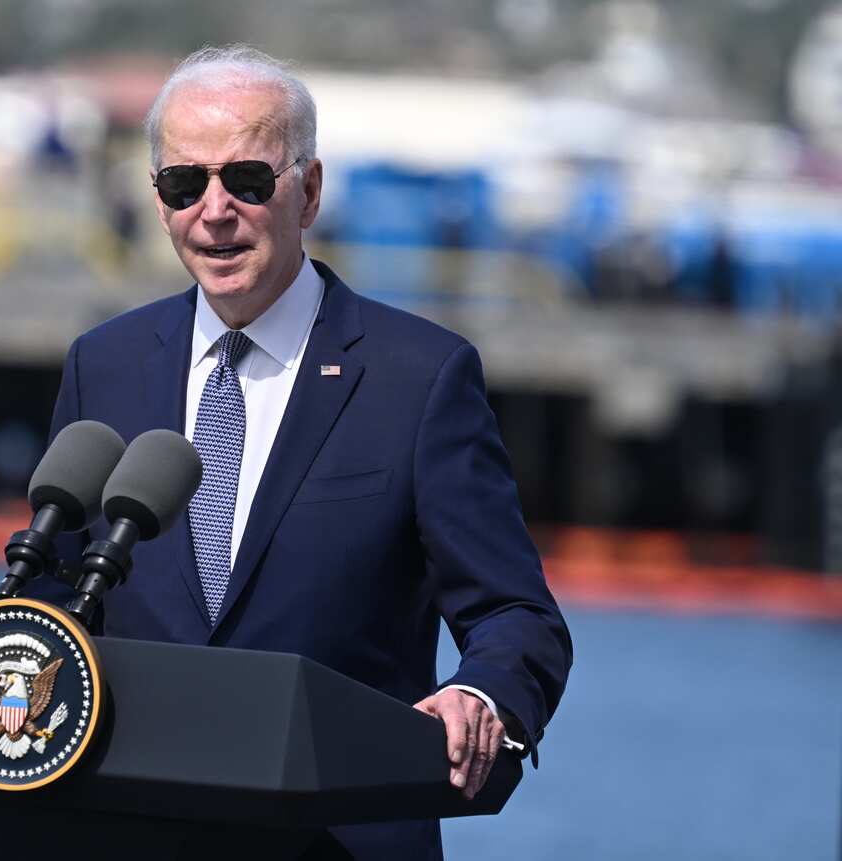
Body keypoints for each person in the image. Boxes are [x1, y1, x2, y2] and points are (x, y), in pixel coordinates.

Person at [37, 45, 572, 860]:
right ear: (159, 200)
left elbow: (516, 614)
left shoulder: (418, 378)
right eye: (185, 185)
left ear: (309, 190)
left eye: (247, 180)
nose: (214, 210)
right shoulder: (101, 366)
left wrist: (480, 694)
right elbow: (50, 600)